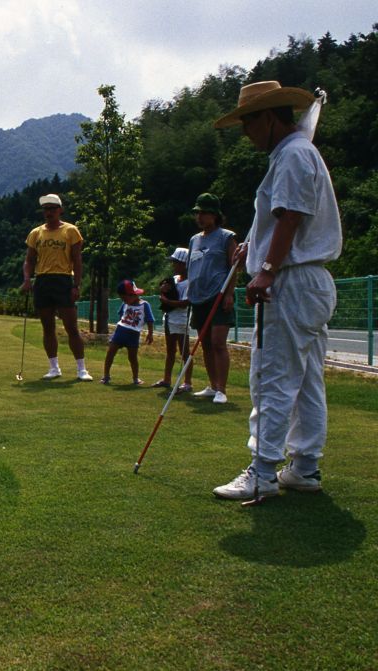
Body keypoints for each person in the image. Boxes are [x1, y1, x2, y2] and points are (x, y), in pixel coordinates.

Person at [210, 81, 341, 500]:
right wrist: (255, 244)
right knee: (304, 381)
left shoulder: (292, 154)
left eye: (247, 123)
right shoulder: (298, 152)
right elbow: (278, 218)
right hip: (309, 281)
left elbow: (290, 217)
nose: (245, 133)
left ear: (268, 117)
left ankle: (263, 470)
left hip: (290, 281)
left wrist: (265, 269)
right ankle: (303, 467)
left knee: (273, 376)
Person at [19, 194, 93, 381]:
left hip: (63, 279)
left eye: (52, 208)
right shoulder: (36, 233)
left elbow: (77, 260)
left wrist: (76, 285)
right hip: (43, 280)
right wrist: (27, 279)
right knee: (47, 327)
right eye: (46, 209)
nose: (49, 212)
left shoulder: (70, 231)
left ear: (60, 210)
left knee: (71, 326)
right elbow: (29, 260)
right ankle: (54, 367)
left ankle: (81, 369)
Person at [186, 193, 236, 404]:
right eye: (198, 213)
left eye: (204, 213)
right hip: (198, 296)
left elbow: (234, 267)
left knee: (218, 343)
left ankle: (222, 390)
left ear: (215, 215)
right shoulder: (194, 240)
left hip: (218, 294)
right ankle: (212, 385)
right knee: (205, 343)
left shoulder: (227, 237)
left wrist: (230, 293)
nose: (200, 217)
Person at [100, 280, 154, 385]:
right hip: (120, 331)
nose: (123, 300)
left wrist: (150, 333)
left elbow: (150, 320)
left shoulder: (144, 305)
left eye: (124, 298)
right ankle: (106, 376)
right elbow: (121, 314)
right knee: (110, 352)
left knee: (132, 357)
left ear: (132, 294)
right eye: (122, 298)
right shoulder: (124, 304)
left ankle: (135, 378)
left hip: (134, 334)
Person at [155, 248, 193, 392]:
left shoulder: (190, 282)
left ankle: (187, 382)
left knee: (185, 352)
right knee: (170, 350)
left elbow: (185, 303)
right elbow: (169, 294)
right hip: (169, 318)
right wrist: (163, 290)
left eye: (176, 262)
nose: (173, 265)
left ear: (184, 264)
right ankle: (166, 379)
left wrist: (165, 300)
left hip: (181, 319)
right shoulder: (175, 279)